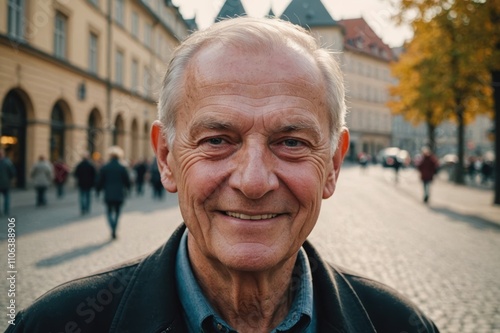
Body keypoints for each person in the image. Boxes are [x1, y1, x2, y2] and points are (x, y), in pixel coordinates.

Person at [7, 17, 439, 333]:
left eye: (291, 142)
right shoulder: (53, 325)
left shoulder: (402, 326)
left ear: (333, 165)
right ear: (165, 157)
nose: (253, 182)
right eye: (217, 140)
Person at [96, 146, 131, 239]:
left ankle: (112, 227)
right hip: (119, 193)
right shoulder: (122, 167)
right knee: (118, 212)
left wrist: (98, 191)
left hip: (108, 193)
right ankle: (115, 227)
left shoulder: (105, 167)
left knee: (108, 212)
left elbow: (100, 181)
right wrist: (128, 189)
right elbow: (127, 181)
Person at [0, 148, 16, 215]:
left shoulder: (7, 162)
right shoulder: (7, 162)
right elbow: (12, 172)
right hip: (5, 182)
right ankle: (6, 211)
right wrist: (11, 179)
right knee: (6, 197)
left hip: (4, 182)